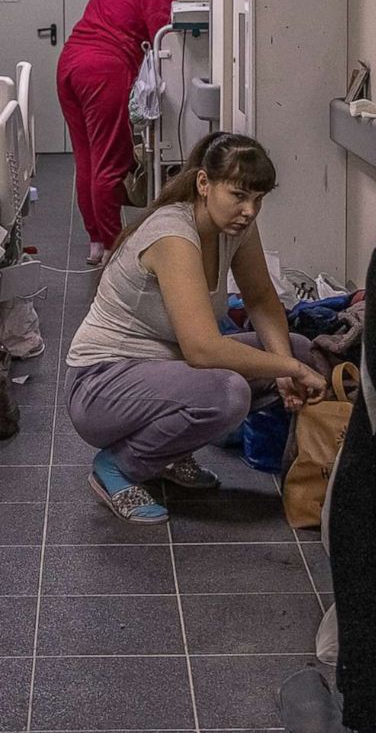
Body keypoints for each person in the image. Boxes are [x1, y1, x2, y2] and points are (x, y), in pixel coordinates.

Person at [65, 132, 327, 524]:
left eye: (258, 199)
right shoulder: (173, 235)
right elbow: (203, 350)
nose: (250, 210)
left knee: (302, 350)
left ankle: (165, 455)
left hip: (164, 373)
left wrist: (288, 362)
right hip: (100, 385)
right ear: (204, 184)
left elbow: (259, 298)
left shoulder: (235, 227)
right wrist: (287, 370)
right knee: (228, 392)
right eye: (238, 195)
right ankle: (118, 467)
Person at [58, 0, 192, 266]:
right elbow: (167, 41)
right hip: (104, 68)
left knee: (87, 158)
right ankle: (114, 248)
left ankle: (96, 243)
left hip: (71, 62)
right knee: (110, 163)